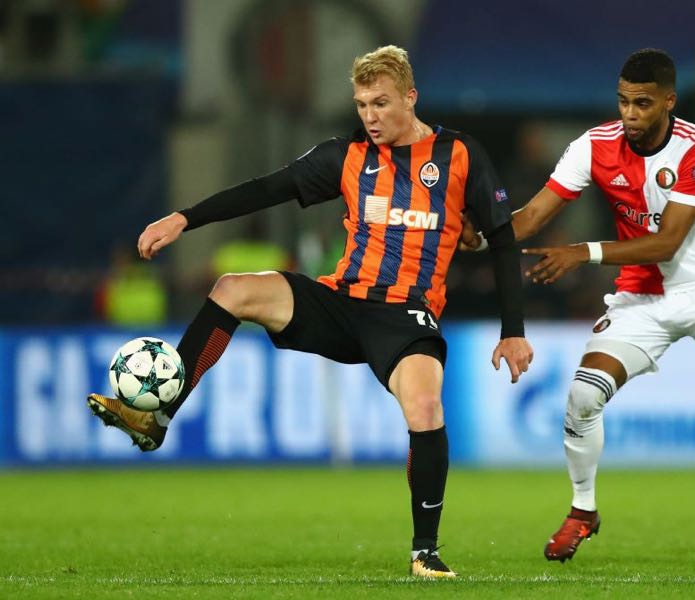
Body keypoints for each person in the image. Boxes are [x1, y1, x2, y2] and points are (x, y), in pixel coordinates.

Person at [87, 45, 534, 578]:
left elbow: (504, 243)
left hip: (404, 316)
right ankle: (157, 416)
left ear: (411, 98)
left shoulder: (460, 155)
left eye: (382, 103)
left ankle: (424, 552)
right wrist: (186, 217)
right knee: (232, 288)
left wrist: (512, 330)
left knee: (426, 410)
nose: (370, 116)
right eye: (362, 104)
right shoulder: (345, 157)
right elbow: (264, 190)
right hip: (340, 303)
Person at [464, 48, 695, 571]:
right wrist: (473, 241)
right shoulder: (595, 146)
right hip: (641, 296)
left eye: (641, 103)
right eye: (622, 102)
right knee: (583, 396)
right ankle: (582, 511)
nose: (629, 114)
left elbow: (668, 243)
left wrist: (581, 253)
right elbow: (532, 216)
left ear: (668, 102)